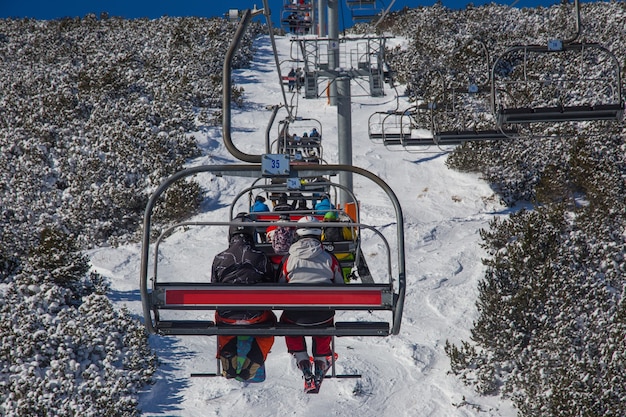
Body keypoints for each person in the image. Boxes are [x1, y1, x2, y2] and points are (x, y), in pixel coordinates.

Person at [279, 216, 344, 388]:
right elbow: (341, 286)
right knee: (324, 322)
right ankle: (321, 361)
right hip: (322, 315)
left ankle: (303, 361)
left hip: (295, 317)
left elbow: (278, 287)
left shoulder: (288, 259)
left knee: (288, 322)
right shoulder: (329, 258)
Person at [211, 213, 277, 381]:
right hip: (255, 316)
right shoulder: (260, 257)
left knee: (222, 318)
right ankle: (256, 355)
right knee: (271, 321)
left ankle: (227, 351)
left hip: (227, 317)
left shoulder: (219, 258)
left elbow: (213, 288)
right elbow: (271, 285)